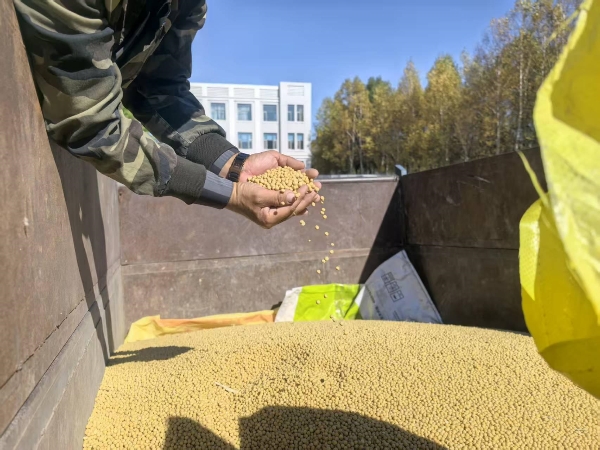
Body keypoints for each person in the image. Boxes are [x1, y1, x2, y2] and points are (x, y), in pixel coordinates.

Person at [13, 0, 320, 228]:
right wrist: (232, 194)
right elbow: (92, 124)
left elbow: (157, 87)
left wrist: (235, 165)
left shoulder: (186, 5)